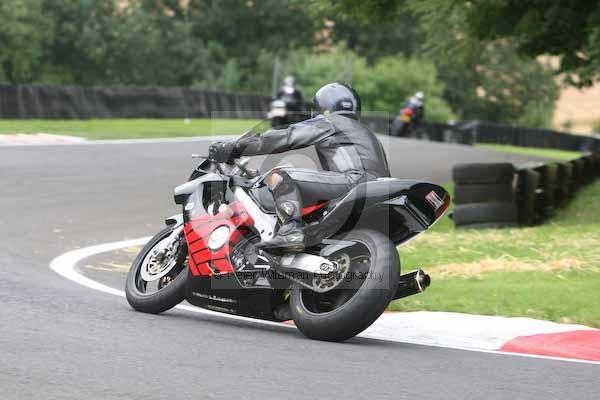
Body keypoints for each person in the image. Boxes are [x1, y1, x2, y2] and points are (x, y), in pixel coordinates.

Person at [209, 82, 390, 252]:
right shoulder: (367, 132)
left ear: (323, 107)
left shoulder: (329, 122)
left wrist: (233, 148)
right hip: (378, 188)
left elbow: (285, 137)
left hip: (354, 182)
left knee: (280, 176)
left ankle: (291, 232)